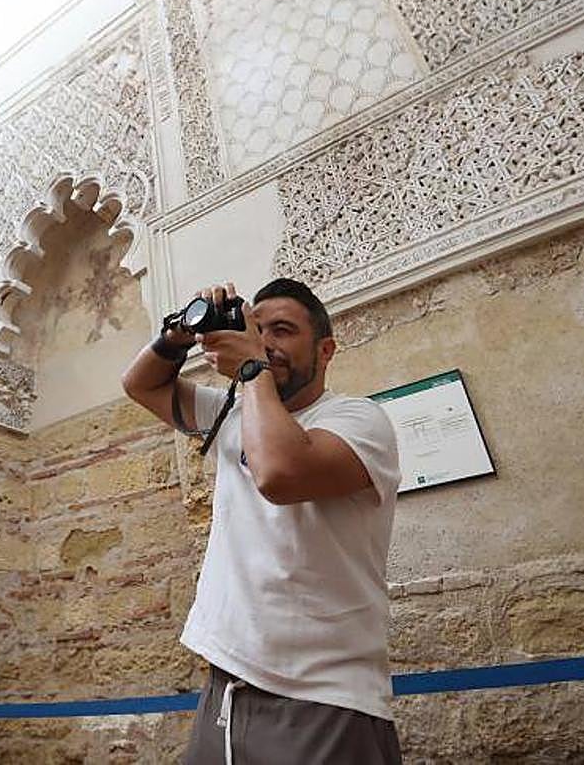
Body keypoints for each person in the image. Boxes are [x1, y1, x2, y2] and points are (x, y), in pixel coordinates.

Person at [121, 277, 402, 765]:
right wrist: (178, 335)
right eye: (256, 328)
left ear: (326, 349)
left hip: (324, 696)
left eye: (283, 330)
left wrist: (253, 369)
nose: (267, 342)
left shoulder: (360, 421)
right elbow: (140, 385)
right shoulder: (233, 413)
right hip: (225, 691)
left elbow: (278, 473)